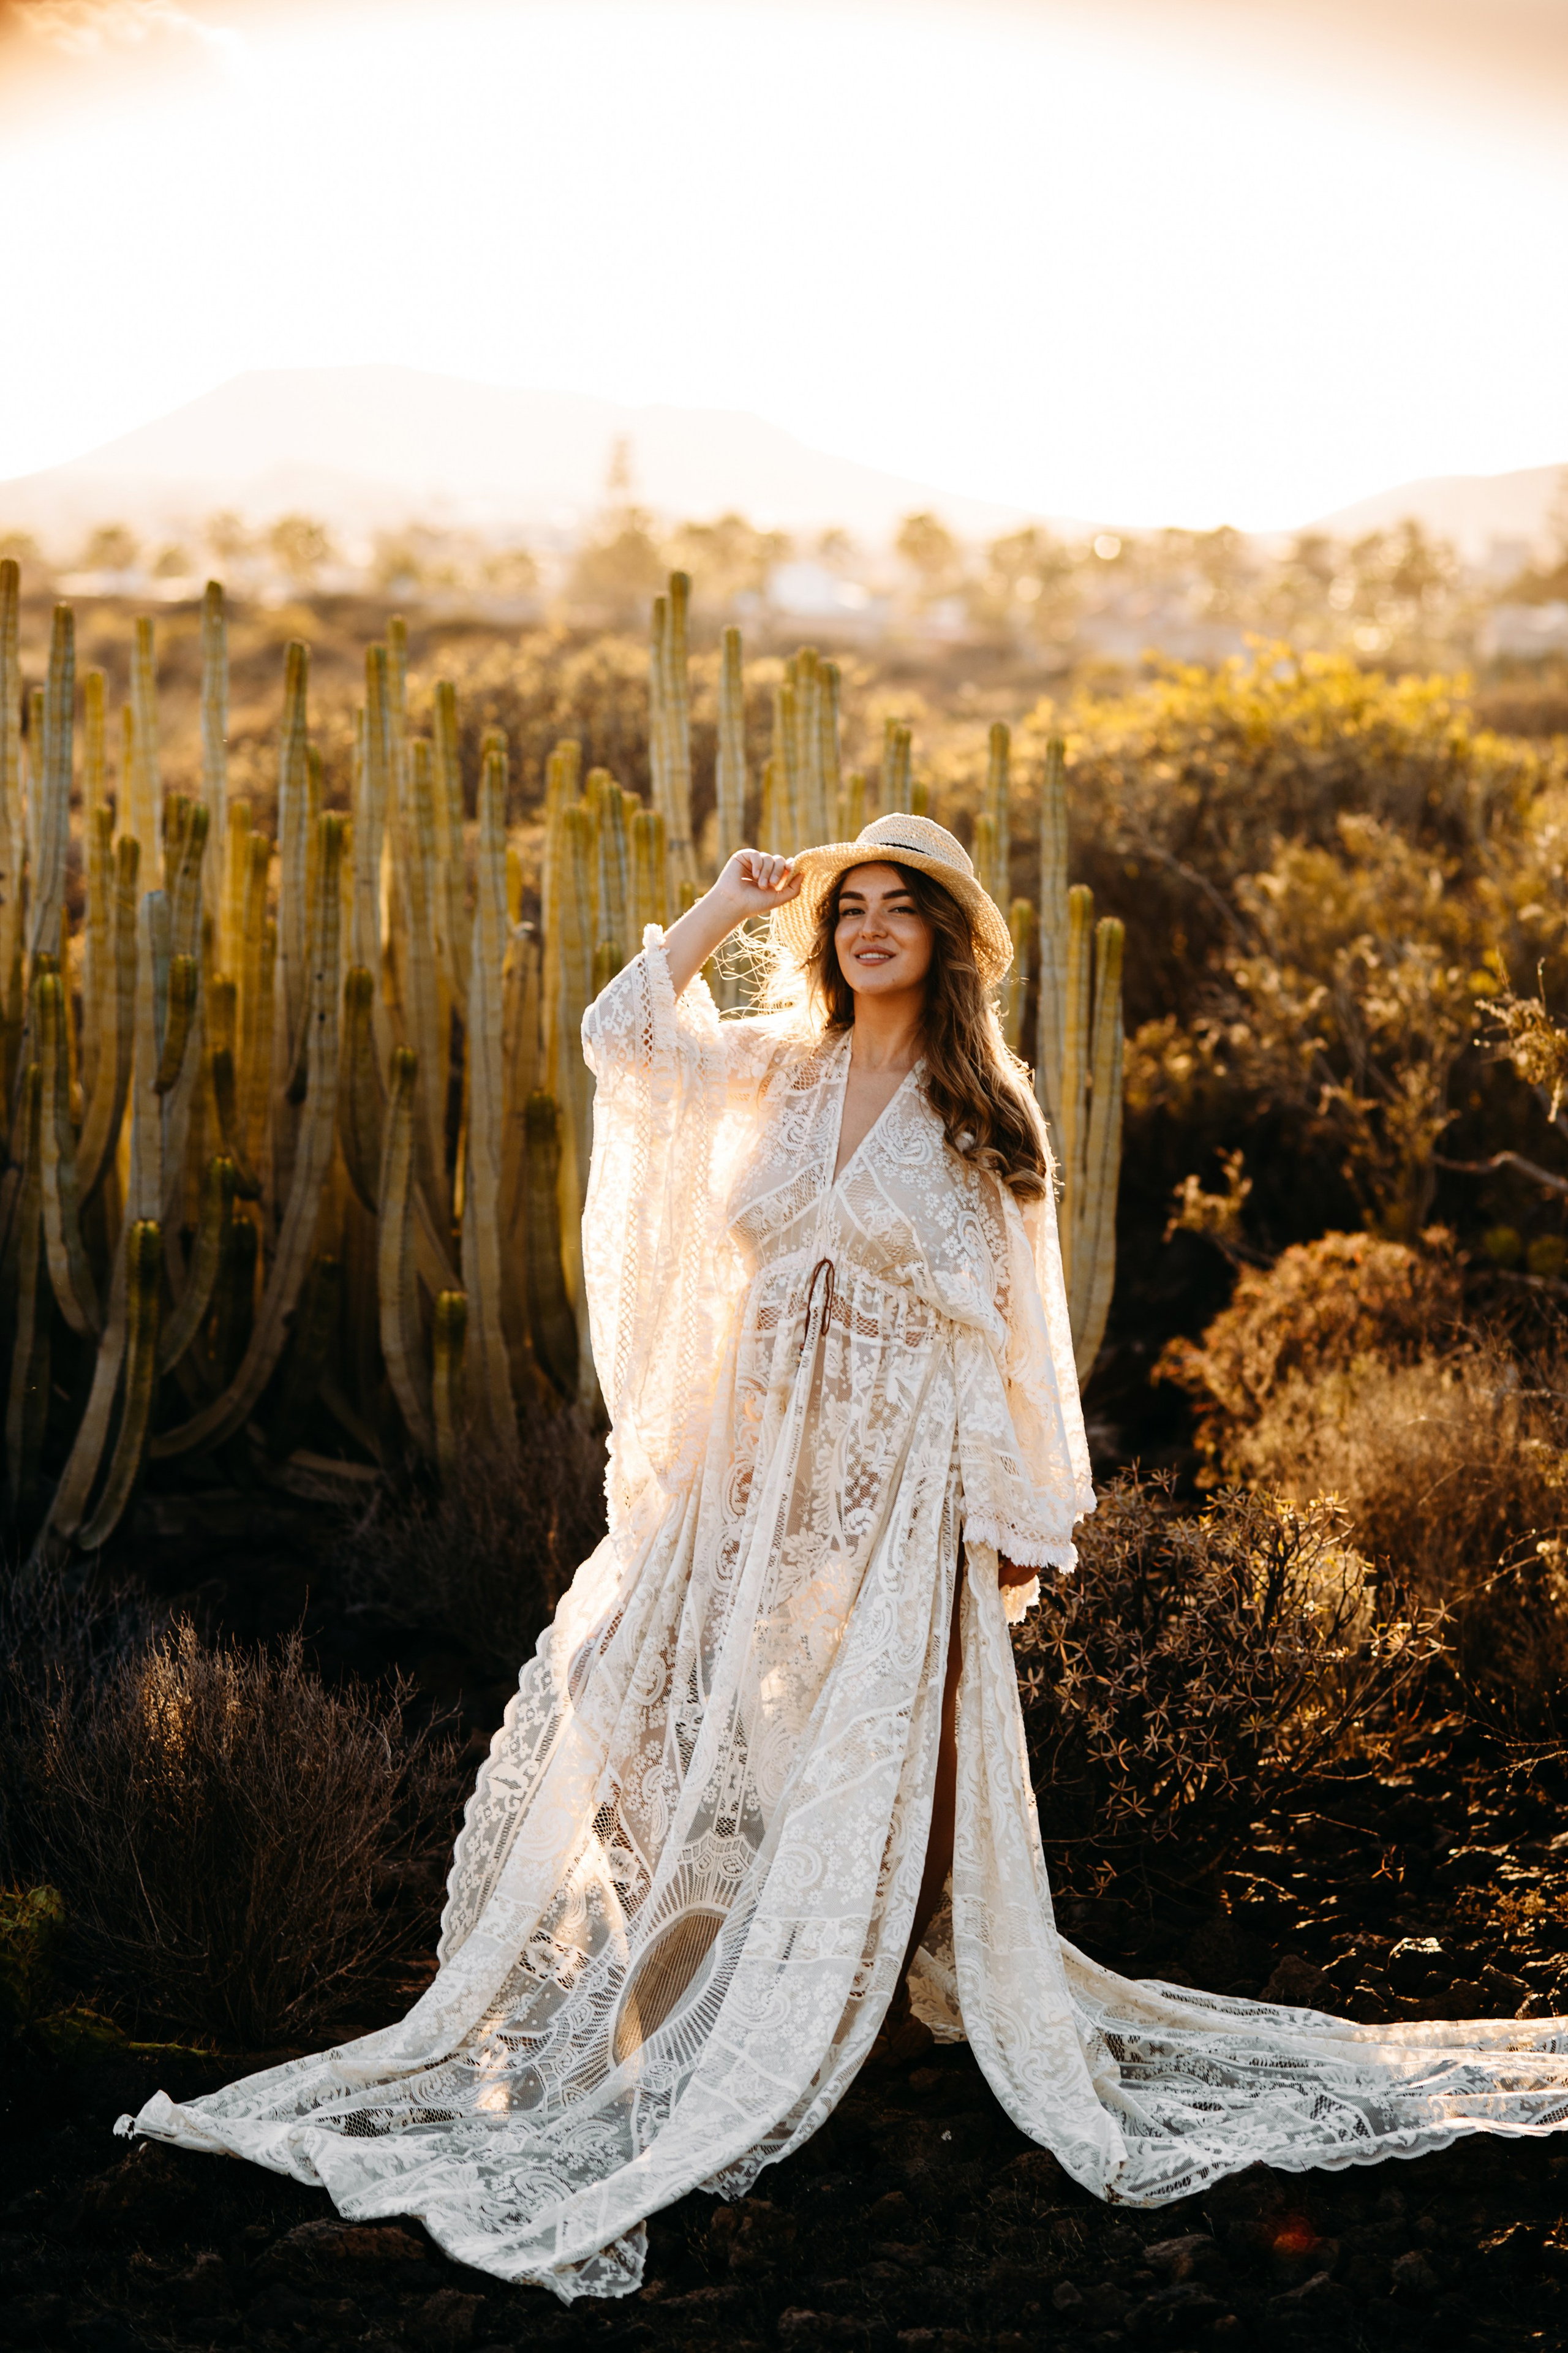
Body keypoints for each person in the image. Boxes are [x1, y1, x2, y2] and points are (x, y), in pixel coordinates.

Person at [122, 817, 1568, 2300]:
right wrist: (727, 902)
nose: (871, 925)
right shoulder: (780, 1066)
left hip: (900, 1490)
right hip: (744, 1484)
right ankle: (705, 1962)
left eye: (900, 908)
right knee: (624, 1689)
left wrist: (1008, 1517)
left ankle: (858, 1994)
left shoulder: (982, 1108)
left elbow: (1018, 1334)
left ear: (944, 938)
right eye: (852, 907)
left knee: (893, 1742)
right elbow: (624, 1034)